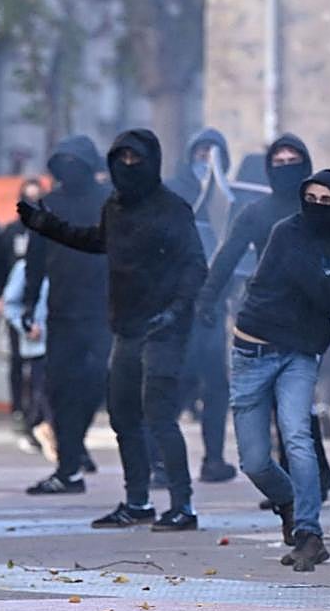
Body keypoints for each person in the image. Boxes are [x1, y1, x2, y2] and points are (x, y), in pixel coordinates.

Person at [18, 128, 206, 532]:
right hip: (127, 328)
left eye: (136, 159)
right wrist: (44, 224)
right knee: (123, 416)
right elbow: (94, 241)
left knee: (159, 416)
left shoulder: (172, 208)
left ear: (152, 161)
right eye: (121, 159)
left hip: (164, 330)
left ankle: (183, 505)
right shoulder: (115, 209)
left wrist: (175, 312)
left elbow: (195, 266)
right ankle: (137, 502)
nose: (128, 167)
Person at [218, 170, 330, 570]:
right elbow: (322, 290)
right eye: (312, 198)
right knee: (254, 461)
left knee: (297, 438)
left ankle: (309, 532)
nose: (318, 207)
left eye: (327, 201)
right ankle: (289, 502)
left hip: (299, 355)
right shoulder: (286, 234)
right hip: (252, 352)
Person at [22, 135, 112, 495]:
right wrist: (29, 304)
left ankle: (72, 455)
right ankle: (68, 464)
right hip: (62, 311)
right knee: (59, 388)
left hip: (103, 311)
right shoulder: (49, 204)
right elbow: (35, 260)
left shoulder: (109, 202)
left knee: (93, 384)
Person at [165, 127, 237, 484]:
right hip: (178, 304)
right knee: (178, 383)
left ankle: (213, 458)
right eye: (202, 149)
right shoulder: (174, 192)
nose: (207, 157)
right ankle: (161, 462)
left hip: (213, 304)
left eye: (214, 150)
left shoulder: (229, 195)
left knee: (215, 386)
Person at [0, 178, 45, 441]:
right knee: (19, 362)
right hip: (25, 311)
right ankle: (21, 411)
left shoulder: (53, 235)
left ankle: (37, 418)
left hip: (50, 317)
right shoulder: (10, 233)